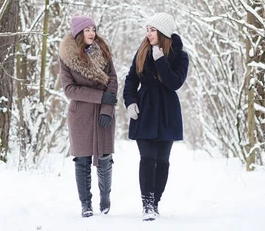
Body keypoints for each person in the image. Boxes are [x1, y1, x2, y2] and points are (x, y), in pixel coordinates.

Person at [123, 12, 189, 221]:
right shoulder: (142, 51)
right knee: (147, 158)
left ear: (163, 33)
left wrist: (161, 60)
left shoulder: (180, 56)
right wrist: (131, 102)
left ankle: (156, 202)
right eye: (147, 30)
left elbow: (174, 83)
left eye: (152, 30)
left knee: (162, 160)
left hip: (167, 112)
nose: (148, 34)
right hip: (145, 110)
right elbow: (131, 79)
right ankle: (147, 204)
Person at [59, 15, 118, 217]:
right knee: (82, 160)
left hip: (104, 113)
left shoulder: (104, 52)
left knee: (104, 158)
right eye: (87, 30)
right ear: (78, 33)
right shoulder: (67, 57)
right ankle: (86, 204)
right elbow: (69, 90)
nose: (92, 33)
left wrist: (106, 109)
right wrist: (101, 96)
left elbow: (112, 81)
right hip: (80, 115)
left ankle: (105, 198)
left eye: (93, 29)